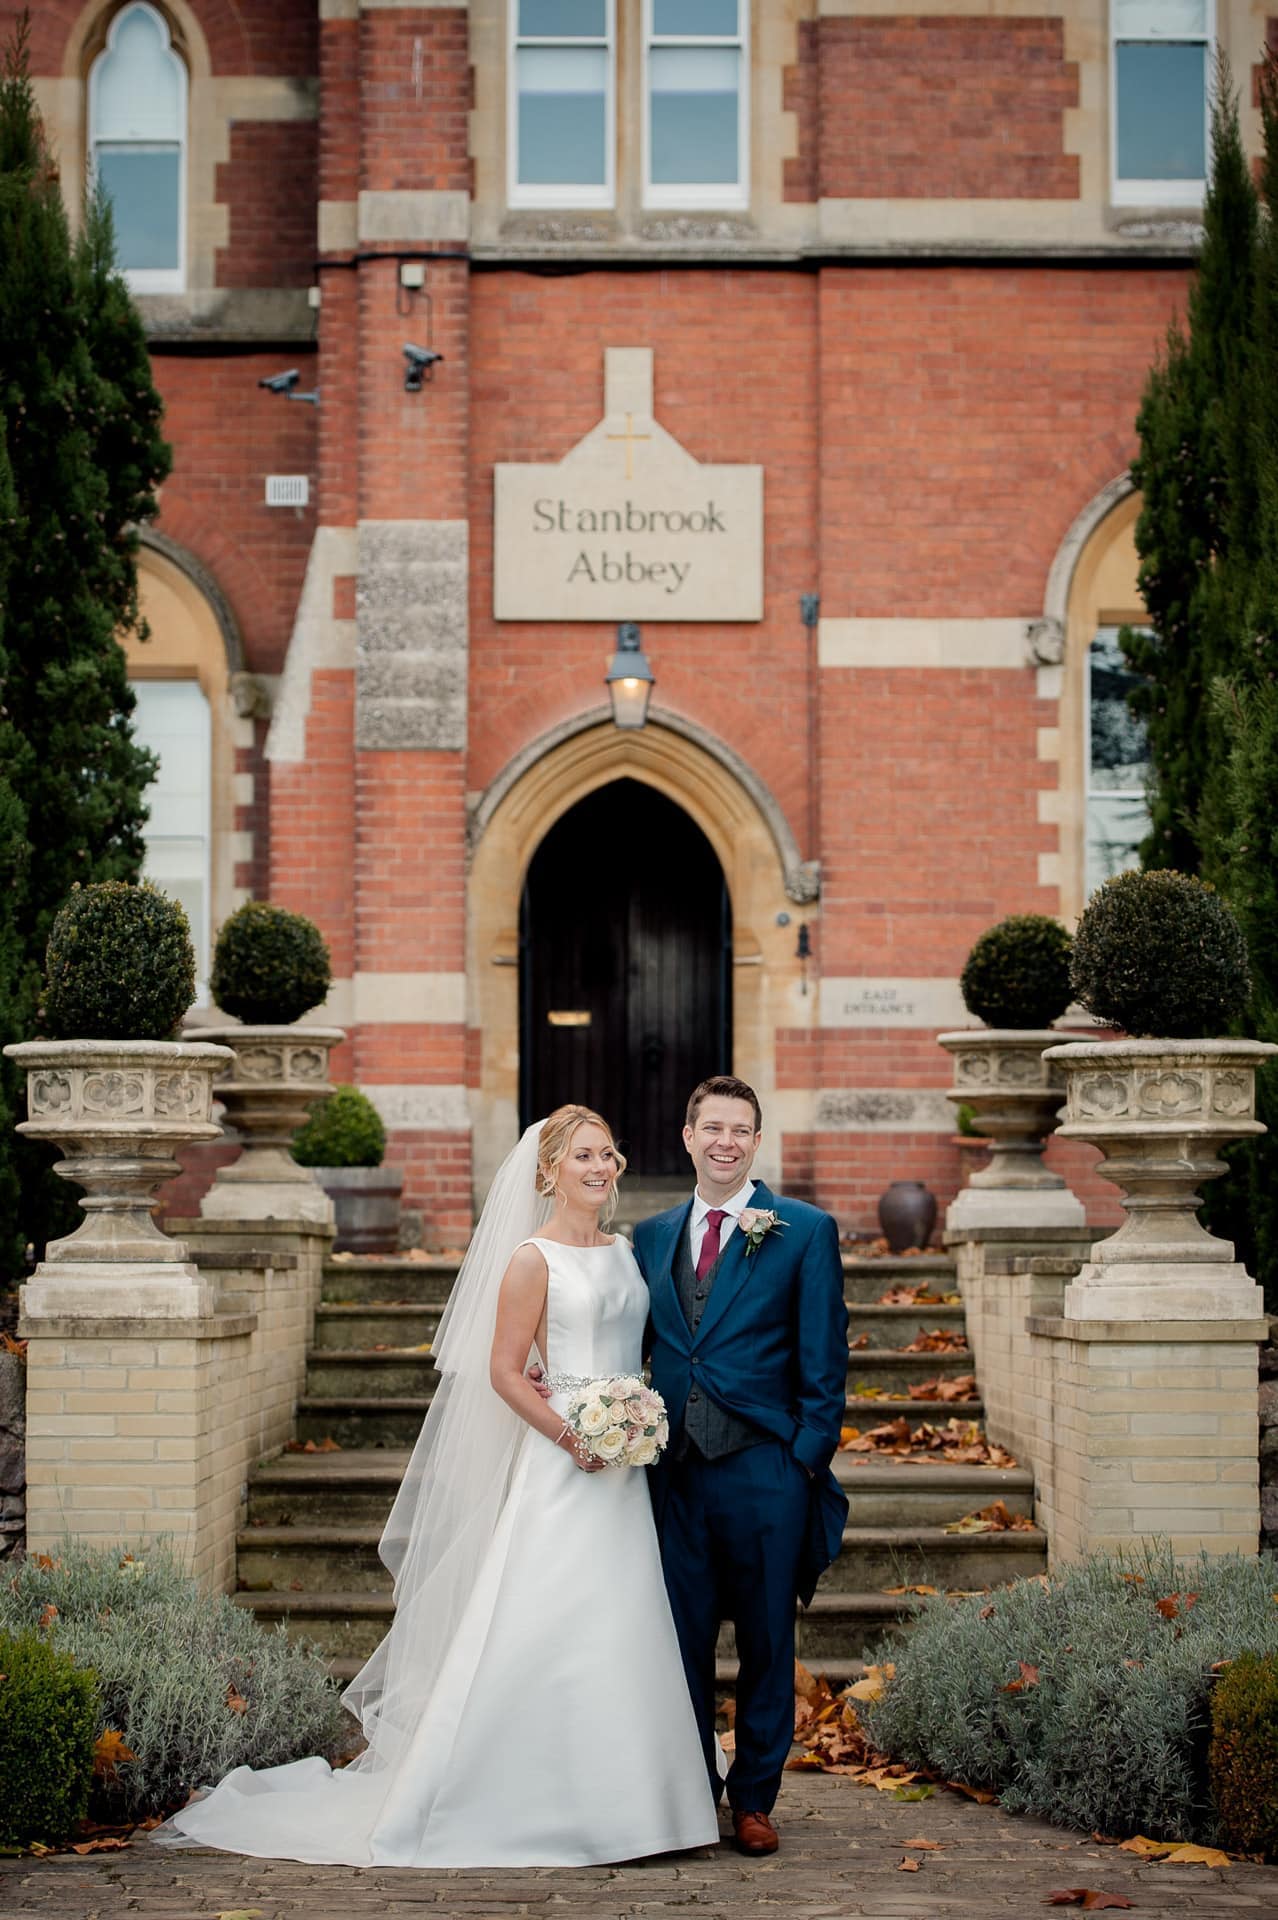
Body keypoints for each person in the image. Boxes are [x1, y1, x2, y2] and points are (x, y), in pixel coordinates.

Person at [154, 1106, 718, 1868]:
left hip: (624, 1474)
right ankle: (517, 1800)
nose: (600, 1167)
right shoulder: (530, 1258)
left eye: (608, 1154)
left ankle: (640, 1808)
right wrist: (573, 1436)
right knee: (547, 1623)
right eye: (583, 1155)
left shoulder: (625, 1254)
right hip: (561, 1470)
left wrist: (633, 1420)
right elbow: (504, 1372)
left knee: (624, 1623)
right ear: (548, 1169)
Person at [631, 1076, 849, 1858]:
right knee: (679, 1643)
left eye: (741, 1130)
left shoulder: (803, 1229)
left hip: (767, 1469)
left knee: (765, 1642)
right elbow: (647, 1348)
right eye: (711, 1127)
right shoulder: (651, 1237)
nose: (725, 1141)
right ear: (687, 1137)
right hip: (675, 1474)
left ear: (757, 1142)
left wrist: (802, 1462)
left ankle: (755, 1799)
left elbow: (826, 1366)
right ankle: (694, 1790)